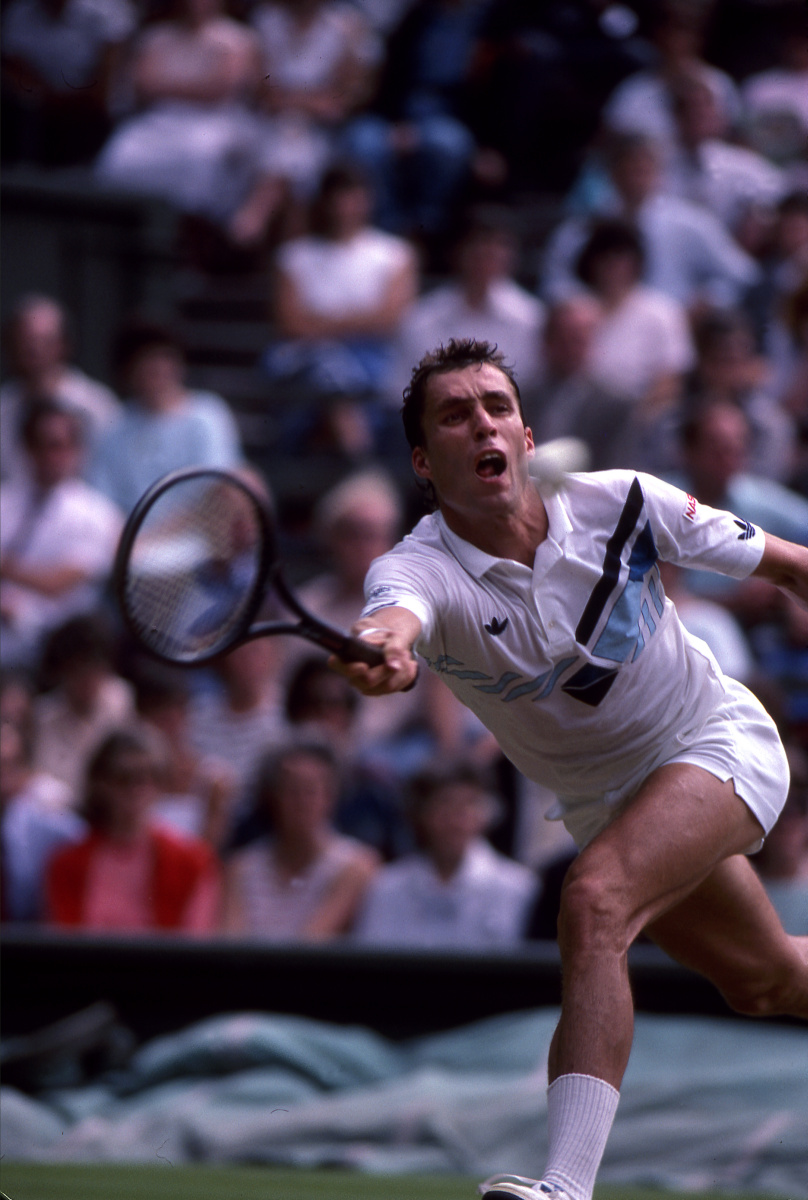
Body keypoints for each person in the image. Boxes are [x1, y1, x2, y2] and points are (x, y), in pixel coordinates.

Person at [331, 337, 808, 1200]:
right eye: (455, 413)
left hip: (716, 742)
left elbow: (791, 568)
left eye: (497, 406)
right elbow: (393, 621)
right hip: (608, 805)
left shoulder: (623, 502)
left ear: (525, 434)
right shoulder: (415, 568)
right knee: (767, 980)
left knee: (594, 901)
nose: (482, 421)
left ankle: (564, 1190)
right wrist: (385, 654)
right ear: (423, 462)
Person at [46, 728, 221, 934]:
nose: (138, 788)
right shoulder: (65, 865)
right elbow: (62, 950)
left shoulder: (192, 863)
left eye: (150, 776)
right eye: (124, 777)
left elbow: (194, 951)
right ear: (101, 783)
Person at [353, 760, 537, 949]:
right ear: (421, 812)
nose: (457, 817)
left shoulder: (519, 886)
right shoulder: (387, 886)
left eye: (470, 803)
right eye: (444, 803)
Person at [0, 402, 124, 669]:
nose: (50, 455)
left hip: (57, 654)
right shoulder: (4, 501)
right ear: (27, 448)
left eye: (60, 445)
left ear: (77, 450)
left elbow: (57, 584)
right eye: (40, 444)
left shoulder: (97, 515)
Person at [219, 739, 379, 940]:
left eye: (311, 791)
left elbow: (310, 947)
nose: (302, 803)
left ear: (330, 797)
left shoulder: (356, 866)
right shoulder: (240, 868)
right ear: (272, 797)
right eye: (292, 791)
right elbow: (230, 944)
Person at [388, 206, 545, 403]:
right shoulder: (421, 319)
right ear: (457, 252)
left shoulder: (534, 318)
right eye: (479, 244)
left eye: (498, 246)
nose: (487, 254)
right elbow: (400, 394)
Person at [89, 317, 243, 515]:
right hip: (127, 540)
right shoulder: (114, 427)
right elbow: (102, 502)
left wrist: (153, 541)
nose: (157, 368)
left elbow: (216, 492)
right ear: (128, 369)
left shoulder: (208, 414)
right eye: (145, 358)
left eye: (164, 357)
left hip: (198, 539)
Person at [0, 294, 121, 485]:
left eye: (45, 341)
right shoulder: (4, 406)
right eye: (26, 340)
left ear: (64, 345)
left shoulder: (96, 404)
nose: (35, 350)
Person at [33, 613, 136, 799]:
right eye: (78, 670)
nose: (88, 680)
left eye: (95, 668)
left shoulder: (120, 698)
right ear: (61, 671)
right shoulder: (43, 716)